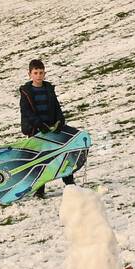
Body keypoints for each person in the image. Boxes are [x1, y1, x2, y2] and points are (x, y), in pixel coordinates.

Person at [19, 58, 77, 199]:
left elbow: (57, 108)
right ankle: (39, 190)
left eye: (41, 72)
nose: (39, 75)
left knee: (63, 154)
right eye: (36, 73)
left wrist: (60, 122)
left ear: (44, 73)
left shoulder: (48, 89)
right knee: (40, 160)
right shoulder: (26, 92)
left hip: (52, 129)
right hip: (37, 131)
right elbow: (27, 112)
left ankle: (70, 184)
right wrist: (39, 125)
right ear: (30, 74)